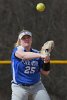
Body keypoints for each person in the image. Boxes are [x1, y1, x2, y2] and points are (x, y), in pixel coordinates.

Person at [11, 30, 51, 100]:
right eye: (23, 38)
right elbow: (23, 56)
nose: (26, 39)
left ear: (31, 39)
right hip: (19, 87)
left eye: (28, 37)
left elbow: (45, 72)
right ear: (19, 41)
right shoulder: (17, 50)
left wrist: (47, 61)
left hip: (36, 86)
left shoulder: (37, 53)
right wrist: (41, 55)